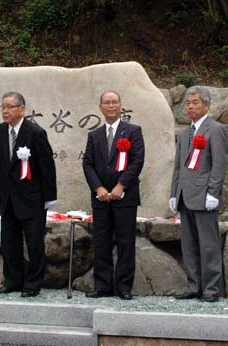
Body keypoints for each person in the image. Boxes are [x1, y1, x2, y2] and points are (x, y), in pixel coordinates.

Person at [0, 92, 57, 298]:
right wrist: (0, 191)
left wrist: (50, 197)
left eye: (10, 107)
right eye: (3, 107)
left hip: (31, 198)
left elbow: (47, 166)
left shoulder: (35, 132)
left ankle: (33, 284)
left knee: (34, 243)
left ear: (22, 109)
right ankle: (12, 281)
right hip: (8, 198)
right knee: (9, 242)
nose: (6, 111)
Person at [82, 91, 145, 300]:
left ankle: (124, 287)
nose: (111, 106)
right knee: (101, 241)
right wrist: (98, 188)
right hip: (101, 198)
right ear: (100, 107)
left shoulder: (133, 131)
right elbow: (88, 163)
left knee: (126, 242)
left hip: (125, 197)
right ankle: (102, 286)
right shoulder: (94, 135)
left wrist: (121, 185)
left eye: (114, 102)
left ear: (120, 106)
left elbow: (137, 161)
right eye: (106, 103)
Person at [170, 86, 228, 303]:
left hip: (205, 198)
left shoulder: (216, 129)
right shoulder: (186, 134)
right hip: (185, 197)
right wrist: (174, 193)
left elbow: (219, 165)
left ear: (206, 104)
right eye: (188, 103)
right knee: (189, 245)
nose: (190, 106)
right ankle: (193, 286)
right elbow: (178, 167)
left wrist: (213, 192)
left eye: (195, 102)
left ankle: (211, 289)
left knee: (208, 245)